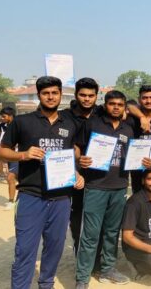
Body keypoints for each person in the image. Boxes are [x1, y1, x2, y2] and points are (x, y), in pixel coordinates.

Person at [0, 76, 84, 289]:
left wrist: (76, 172)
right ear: (39, 95)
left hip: (61, 198)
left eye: (55, 92)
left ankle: (46, 283)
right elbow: (1, 151)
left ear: (60, 95)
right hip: (31, 195)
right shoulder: (23, 121)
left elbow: (74, 150)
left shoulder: (70, 123)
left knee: (55, 248)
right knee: (25, 250)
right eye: (46, 93)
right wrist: (24, 155)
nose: (51, 96)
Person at [75, 90, 134, 288]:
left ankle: (108, 269)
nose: (116, 107)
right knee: (90, 235)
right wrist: (79, 160)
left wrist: (141, 160)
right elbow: (77, 147)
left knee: (111, 232)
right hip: (96, 186)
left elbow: (130, 156)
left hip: (119, 187)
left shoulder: (128, 129)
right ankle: (82, 278)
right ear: (105, 105)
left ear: (124, 106)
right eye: (112, 104)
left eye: (120, 104)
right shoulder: (92, 124)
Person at [59, 77, 100, 256]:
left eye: (91, 95)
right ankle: (78, 245)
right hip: (73, 172)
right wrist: (78, 158)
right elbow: (66, 142)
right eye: (83, 95)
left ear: (96, 96)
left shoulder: (102, 112)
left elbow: (127, 108)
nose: (87, 99)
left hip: (100, 174)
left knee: (97, 213)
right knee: (76, 211)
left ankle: (97, 251)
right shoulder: (65, 116)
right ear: (76, 95)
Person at [0, 106, 18, 210]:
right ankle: (14, 201)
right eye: (1, 116)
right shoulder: (3, 125)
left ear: (10, 116)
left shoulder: (18, 125)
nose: (2, 118)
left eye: (4, 116)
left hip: (18, 155)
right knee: (14, 179)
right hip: (8, 155)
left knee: (10, 178)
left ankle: (12, 201)